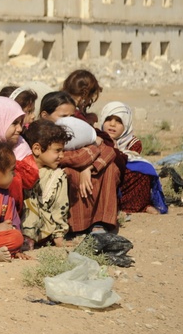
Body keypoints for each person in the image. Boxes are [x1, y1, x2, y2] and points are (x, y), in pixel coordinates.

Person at [39, 91, 120, 234]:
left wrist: (89, 167)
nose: (69, 121)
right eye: (64, 117)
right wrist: (86, 160)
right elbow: (64, 157)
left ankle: (100, 221)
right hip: (61, 168)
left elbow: (109, 150)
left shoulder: (79, 130)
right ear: (45, 116)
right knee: (71, 174)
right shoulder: (41, 135)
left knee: (110, 168)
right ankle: (74, 224)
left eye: (71, 116)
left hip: (87, 166)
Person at [100, 101, 167, 215]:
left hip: (125, 179)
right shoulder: (96, 139)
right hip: (105, 175)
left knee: (144, 171)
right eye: (108, 119)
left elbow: (131, 161)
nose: (112, 124)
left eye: (118, 121)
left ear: (126, 125)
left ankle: (142, 206)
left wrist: (117, 151)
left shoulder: (133, 143)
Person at [19, 119, 71, 249]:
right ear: (37, 149)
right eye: (57, 150)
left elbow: (60, 208)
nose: (61, 155)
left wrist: (59, 236)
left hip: (42, 229)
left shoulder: (56, 176)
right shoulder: (20, 168)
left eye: (63, 150)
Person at [0, 95, 36, 212]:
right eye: (14, 123)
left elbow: (30, 177)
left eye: (20, 123)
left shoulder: (20, 145)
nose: (19, 129)